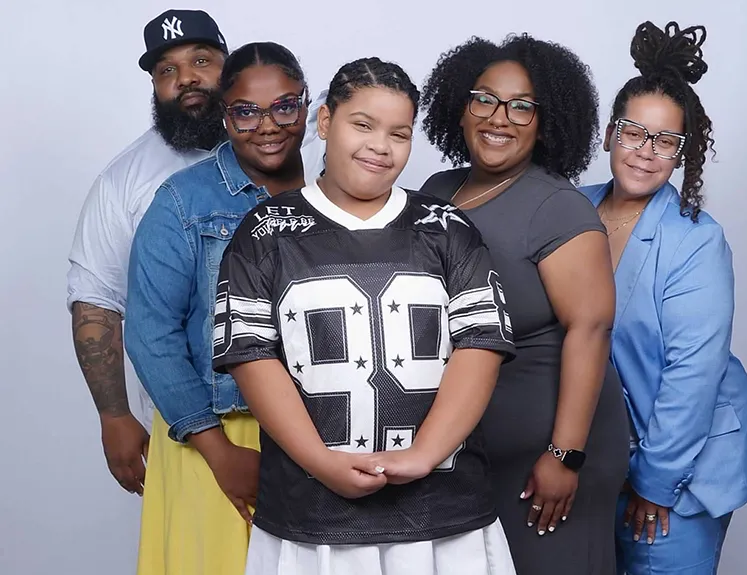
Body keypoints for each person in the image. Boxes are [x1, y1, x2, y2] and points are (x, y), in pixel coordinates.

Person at [211, 56, 518, 575]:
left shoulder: (447, 227)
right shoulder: (264, 231)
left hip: (442, 511)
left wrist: (425, 455)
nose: (381, 145)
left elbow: (479, 347)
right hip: (314, 515)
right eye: (363, 125)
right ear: (326, 121)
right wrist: (320, 461)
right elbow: (252, 358)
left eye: (400, 133)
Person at [66, 8, 326, 497]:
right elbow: (99, 303)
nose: (186, 78)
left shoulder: (307, 142)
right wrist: (115, 415)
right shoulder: (132, 182)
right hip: (206, 416)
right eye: (167, 70)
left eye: (201, 60)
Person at [418, 34, 630, 573]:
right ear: (460, 107)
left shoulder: (558, 207)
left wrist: (565, 455)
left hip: (552, 456)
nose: (500, 118)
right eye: (485, 98)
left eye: (522, 106)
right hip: (469, 451)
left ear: (547, 120)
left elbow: (591, 329)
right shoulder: (435, 190)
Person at [579, 21, 747, 574]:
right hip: (601, 462)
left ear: (684, 152)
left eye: (666, 140)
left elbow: (693, 374)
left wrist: (656, 485)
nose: (646, 152)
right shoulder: (571, 210)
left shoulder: (696, 240)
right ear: (611, 133)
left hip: (683, 466)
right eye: (634, 132)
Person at [124, 42, 324, 575]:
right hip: (219, 431)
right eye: (245, 111)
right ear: (223, 113)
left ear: (307, 106)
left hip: (319, 433)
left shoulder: (337, 195)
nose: (268, 125)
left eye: (285, 106)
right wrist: (219, 452)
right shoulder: (183, 202)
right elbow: (150, 332)